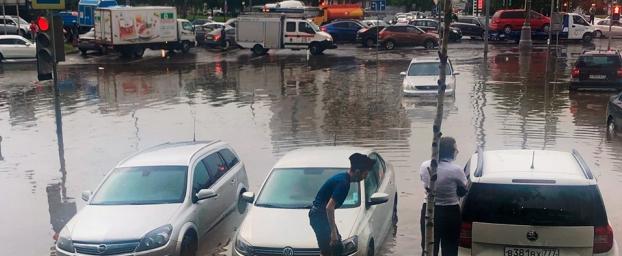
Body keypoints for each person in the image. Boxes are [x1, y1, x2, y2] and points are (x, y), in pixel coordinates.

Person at [309, 153, 375, 256]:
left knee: (332, 249)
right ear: (358, 172)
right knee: (335, 249)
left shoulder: (343, 178)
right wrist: (334, 233)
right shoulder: (343, 183)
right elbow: (329, 208)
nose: (365, 177)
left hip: (318, 215)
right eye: (365, 174)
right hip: (319, 216)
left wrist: (333, 230)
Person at [419, 137, 467, 256]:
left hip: (429, 210)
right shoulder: (456, 170)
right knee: (450, 249)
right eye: (456, 149)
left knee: (429, 248)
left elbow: (424, 182)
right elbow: (464, 188)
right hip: (450, 213)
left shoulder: (425, 166)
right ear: (450, 152)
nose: (458, 151)